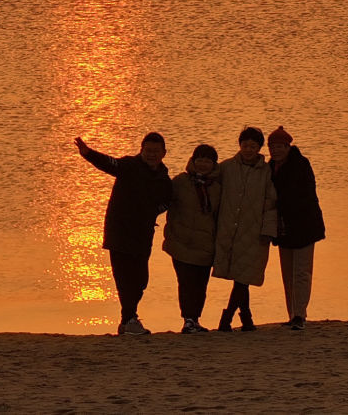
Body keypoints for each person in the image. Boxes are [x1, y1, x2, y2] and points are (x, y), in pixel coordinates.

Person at [75, 132, 174, 335]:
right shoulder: (129, 166)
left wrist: (152, 211)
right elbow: (109, 163)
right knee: (124, 279)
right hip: (119, 233)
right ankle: (129, 320)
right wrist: (88, 153)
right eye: (148, 150)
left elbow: (167, 201)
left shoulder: (163, 178)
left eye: (156, 151)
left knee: (140, 280)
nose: (151, 154)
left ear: (164, 153)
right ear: (141, 150)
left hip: (142, 234)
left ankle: (128, 318)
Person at [212, 126, 277, 331]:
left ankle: (229, 318)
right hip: (229, 229)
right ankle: (244, 318)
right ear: (239, 145)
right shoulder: (226, 167)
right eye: (245, 145)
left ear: (259, 148)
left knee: (244, 277)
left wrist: (268, 230)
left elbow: (271, 203)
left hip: (254, 233)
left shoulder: (266, 172)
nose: (249, 149)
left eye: (253, 146)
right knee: (241, 277)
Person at [267, 124, 326, 331]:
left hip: (304, 225)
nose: (275, 150)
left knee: (302, 272)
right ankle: (292, 313)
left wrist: (280, 202)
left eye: (279, 146)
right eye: (272, 147)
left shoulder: (300, 164)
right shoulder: (270, 168)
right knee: (288, 273)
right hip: (284, 228)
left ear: (288, 146)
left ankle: (300, 314)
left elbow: (304, 195)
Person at [161, 143, 222, 333]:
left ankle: (195, 319)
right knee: (186, 282)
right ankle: (188, 319)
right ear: (193, 161)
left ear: (213, 164)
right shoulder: (180, 182)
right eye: (200, 160)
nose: (203, 164)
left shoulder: (218, 187)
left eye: (207, 161)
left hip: (205, 244)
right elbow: (163, 202)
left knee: (200, 285)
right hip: (181, 242)